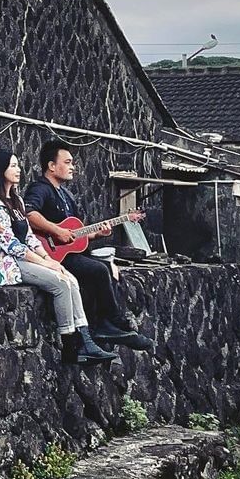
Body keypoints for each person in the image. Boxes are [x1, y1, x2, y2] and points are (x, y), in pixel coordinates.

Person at [0, 149, 117, 364]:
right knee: (59, 283)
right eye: (12, 165)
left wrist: (49, 259)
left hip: (23, 259)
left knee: (70, 278)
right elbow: (11, 245)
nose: (18, 169)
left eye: (17, 165)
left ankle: (86, 340)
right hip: (4, 265)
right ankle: (70, 346)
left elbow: (30, 237)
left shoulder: (17, 202)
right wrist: (44, 263)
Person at [24, 139, 155, 352]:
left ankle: (104, 325)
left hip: (70, 254)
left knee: (109, 269)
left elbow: (74, 235)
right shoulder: (40, 189)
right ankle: (113, 321)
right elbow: (29, 214)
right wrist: (56, 230)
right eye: (67, 162)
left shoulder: (67, 195)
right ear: (51, 166)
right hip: (50, 256)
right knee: (98, 269)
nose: (72, 167)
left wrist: (96, 234)